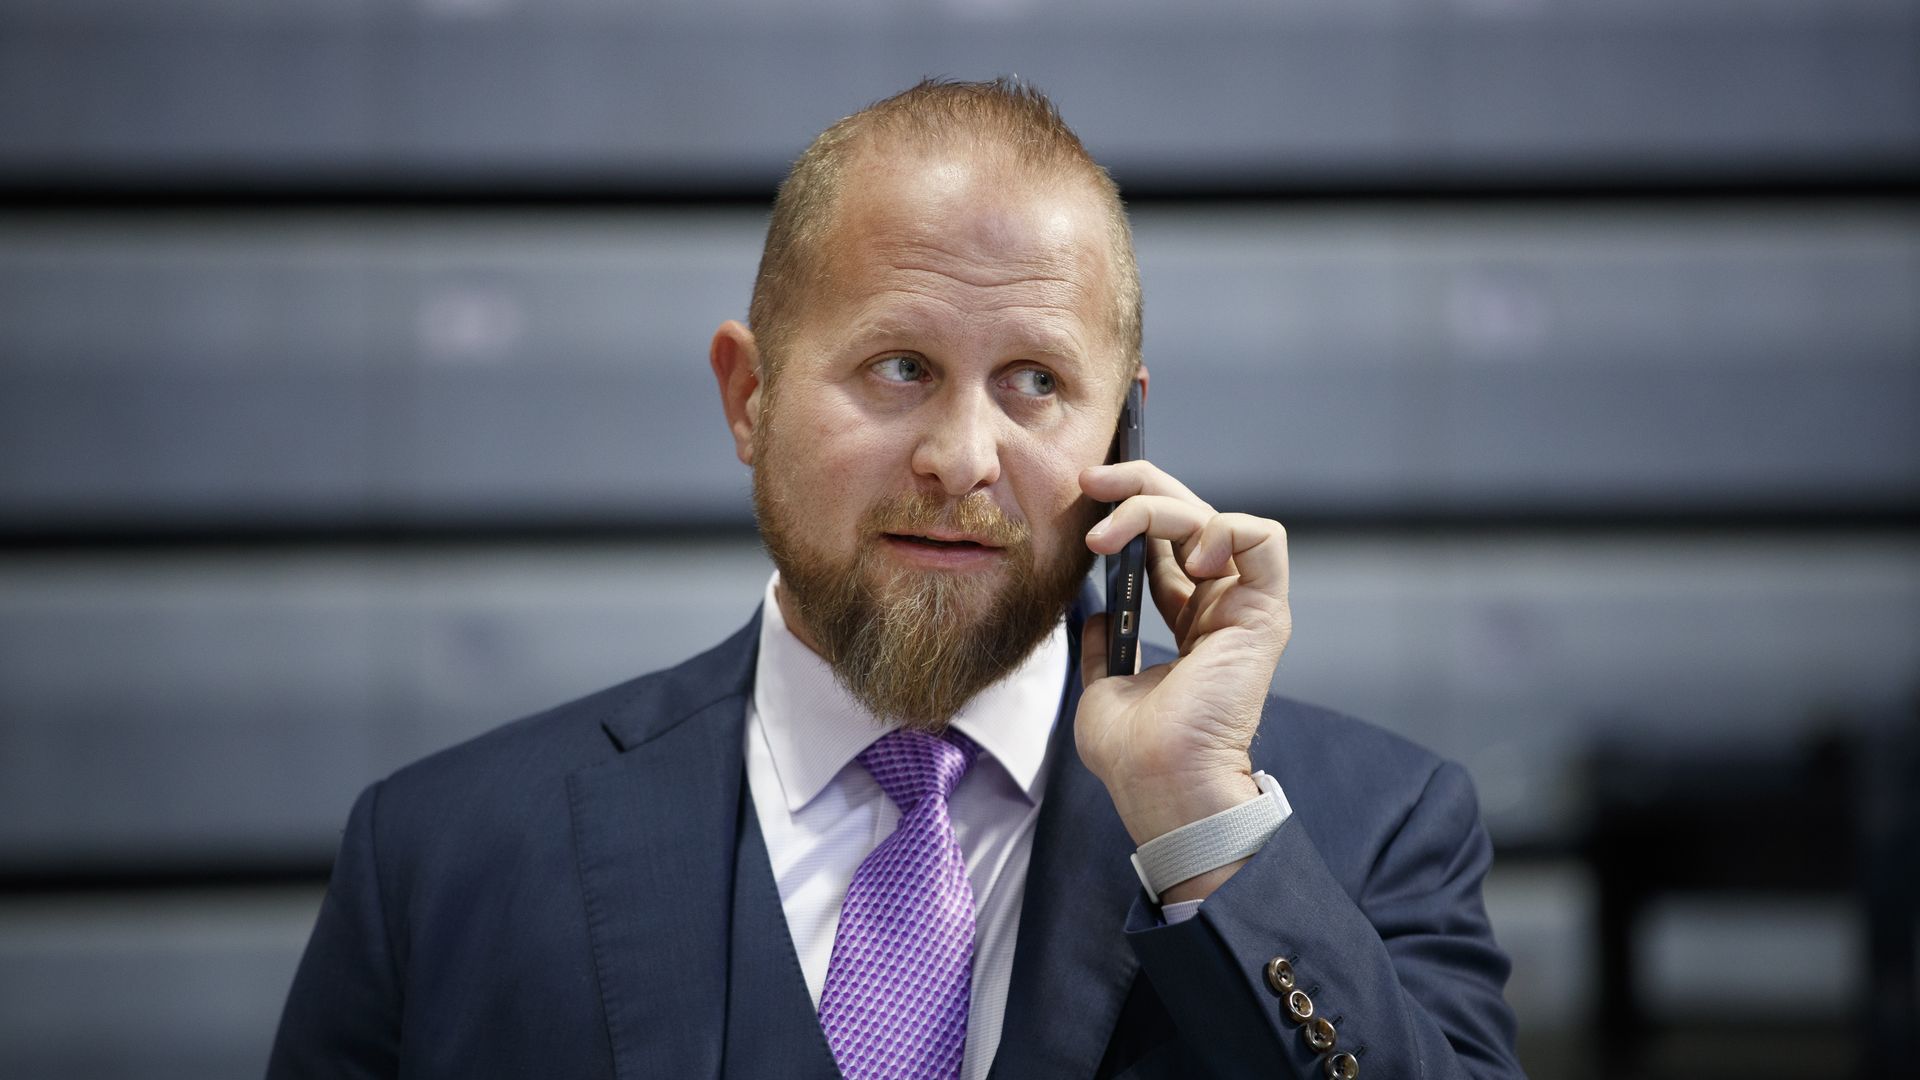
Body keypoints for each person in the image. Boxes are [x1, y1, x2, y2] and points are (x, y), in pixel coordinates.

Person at [269, 78, 1522, 1080]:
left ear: (1123, 440)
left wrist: (1201, 828)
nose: (962, 459)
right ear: (748, 397)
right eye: (900, 367)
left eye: (1036, 382)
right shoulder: (439, 864)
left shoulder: (1370, 832)